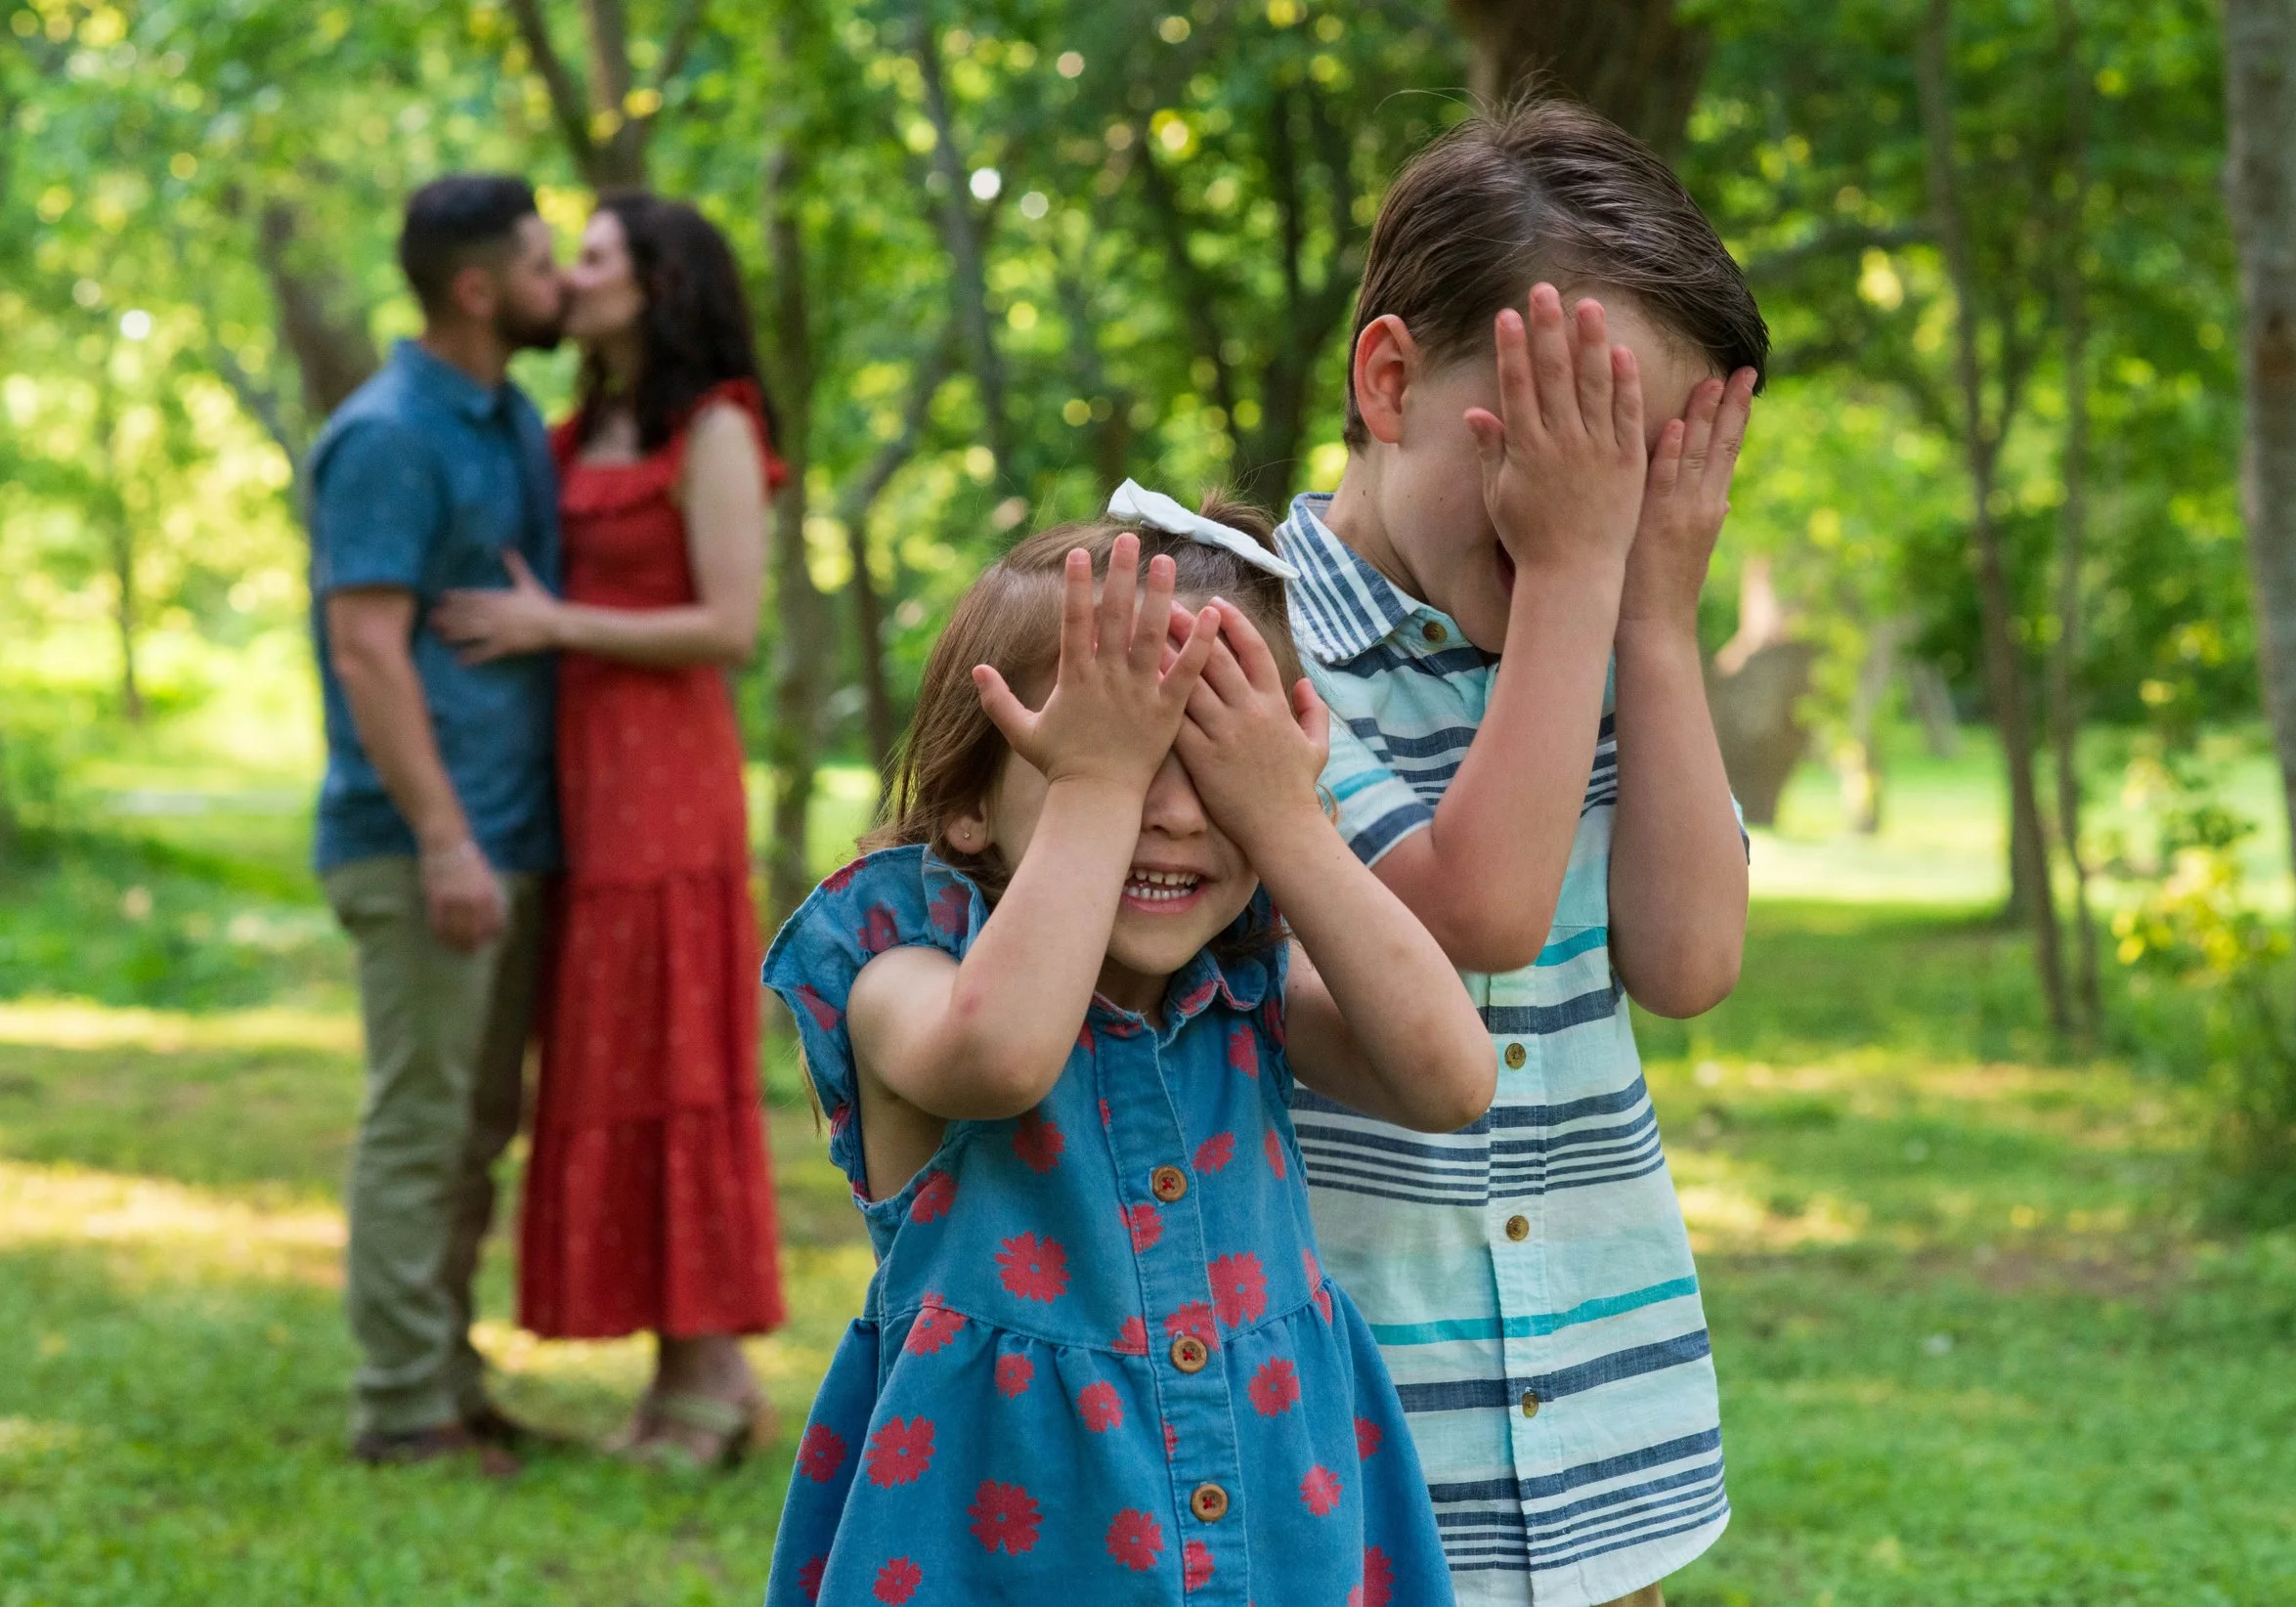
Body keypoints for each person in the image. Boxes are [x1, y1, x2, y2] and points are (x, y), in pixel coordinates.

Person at [757, 502, 1495, 1603]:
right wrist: (1095, 792)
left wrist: (1290, 824)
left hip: (1276, 1529)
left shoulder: (1245, 991)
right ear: (965, 805)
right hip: (1001, 1549)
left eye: (1208, 760)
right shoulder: (903, 979)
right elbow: (1001, 1059)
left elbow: (1452, 1082)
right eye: (1109, 762)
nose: (1174, 814)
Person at [1274, 102, 1766, 1605]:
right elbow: (1467, 914)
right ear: (1390, 379)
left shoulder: (1611, 647)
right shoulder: (1242, 647)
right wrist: (1570, 577)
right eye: (1561, 438)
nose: (1593, 506)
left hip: (1606, 1440)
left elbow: (1686, 963)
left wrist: (1655, 624)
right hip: (1355, 1447)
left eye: (1636, 467)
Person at [432, 193, 787, 1469]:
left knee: (679, 1063)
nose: (572, 278)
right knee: (617, 1062)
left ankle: (710, 1368)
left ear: (663, 283)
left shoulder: (717, 429)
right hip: (580, 789)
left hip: (670, 786)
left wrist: (555, 628)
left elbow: (731, 627)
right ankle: (688, 1368)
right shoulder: (582, 427)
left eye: (595, 258)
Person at [307, 173, 566, 1476]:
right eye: (540, 260)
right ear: (477, 289)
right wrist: (447, 841)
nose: (561, 279)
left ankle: (449, 1380)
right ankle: (399, 1406)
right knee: (421, 1124)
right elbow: (366, 649)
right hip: (422, 845)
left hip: (509, 836)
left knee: (475, 1127)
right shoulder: (390, 435)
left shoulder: (509, 417)